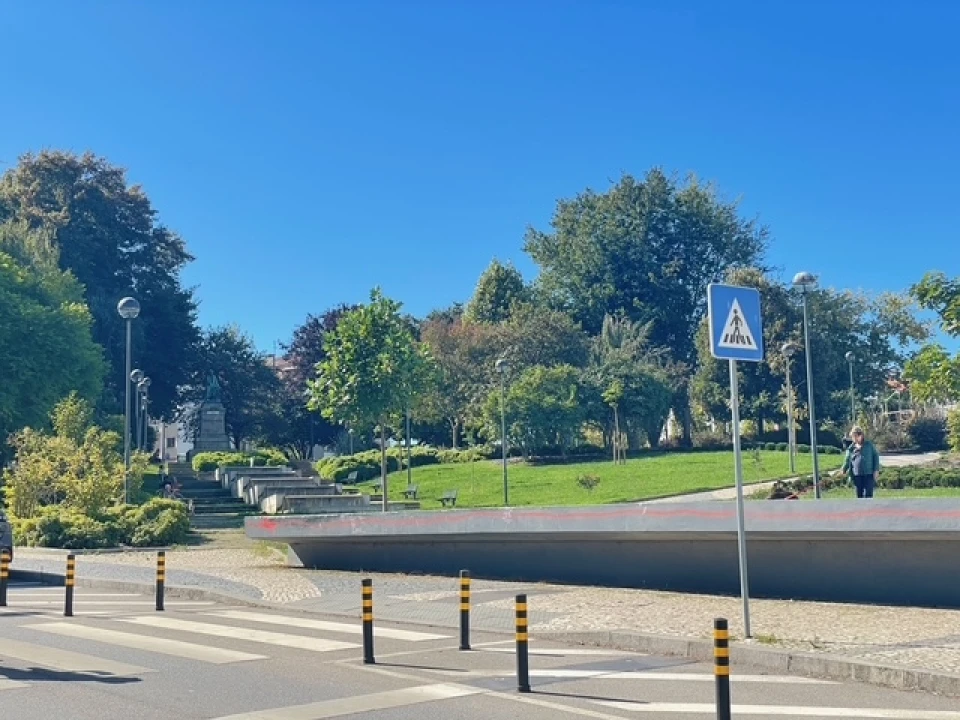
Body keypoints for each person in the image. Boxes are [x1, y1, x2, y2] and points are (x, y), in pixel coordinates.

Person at [842, 425, 881, 498]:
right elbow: (847, 461)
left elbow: (876, 456)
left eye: (856, 436)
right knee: (859, 495)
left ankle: (868, 505)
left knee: (868, 495)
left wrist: (876, 470)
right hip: (857, 475)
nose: (855, 439)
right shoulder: (851, 448)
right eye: (853, 437)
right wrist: (843, 470)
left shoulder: (869, 445)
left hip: (868, 474)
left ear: (861, 435)